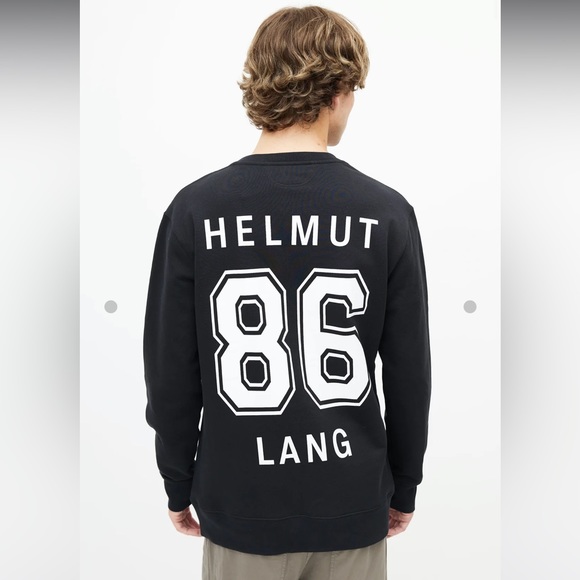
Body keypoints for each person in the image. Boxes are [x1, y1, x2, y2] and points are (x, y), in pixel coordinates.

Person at [143, 5, 431, 579]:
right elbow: (408, 372)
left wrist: (177, 481)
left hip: (240, 502)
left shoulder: (195, 210)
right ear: (340, 92)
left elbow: (170, 369)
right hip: (352, 498)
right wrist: (404, 483)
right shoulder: (386, 213)